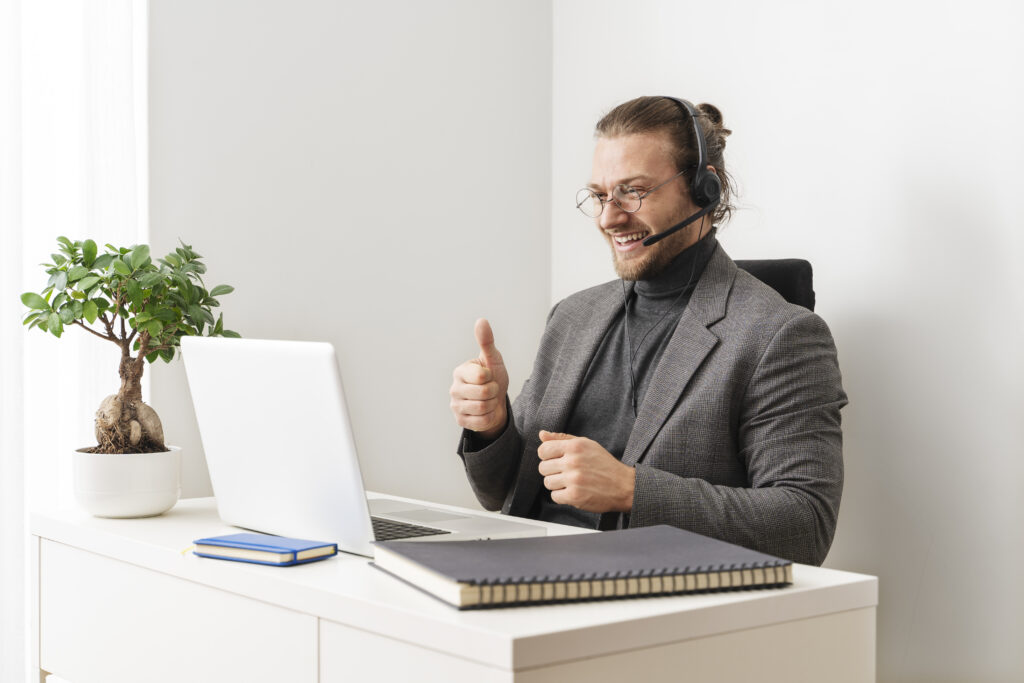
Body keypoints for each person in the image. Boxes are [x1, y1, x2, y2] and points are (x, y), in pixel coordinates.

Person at [449, 96, 846, 566]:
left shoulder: (779, 335)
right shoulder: (572, 317)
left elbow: (804, 526)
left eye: (632, 192)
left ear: (705, 189)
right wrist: (491, 428)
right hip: (524, 568)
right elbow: (502, 496)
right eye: (600, 195)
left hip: (648, 602)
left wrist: (630, 490)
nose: (608, 218)